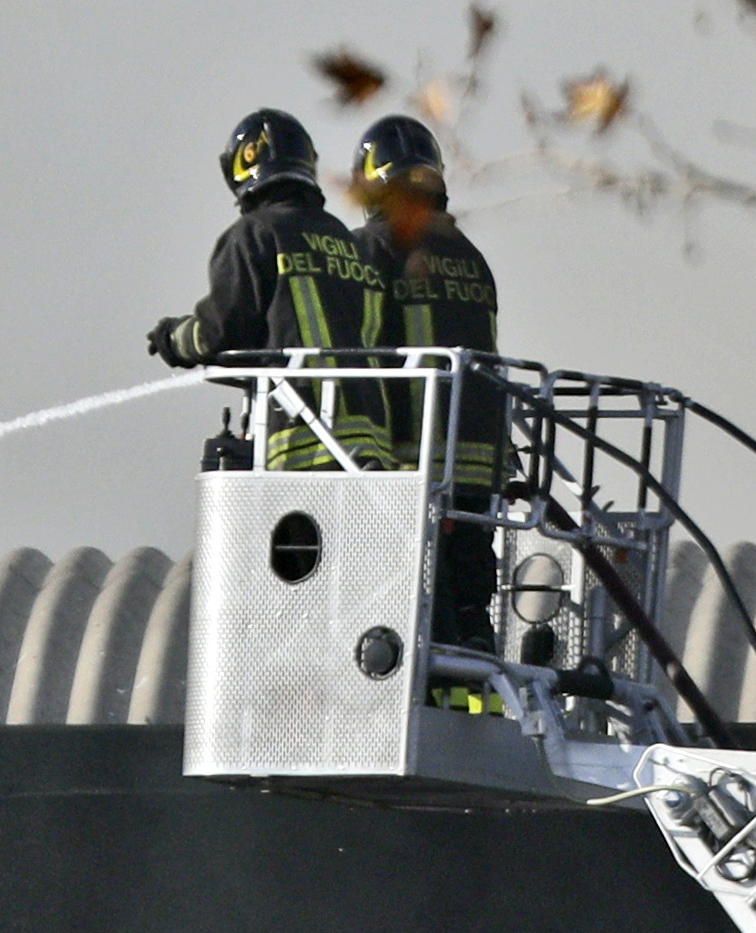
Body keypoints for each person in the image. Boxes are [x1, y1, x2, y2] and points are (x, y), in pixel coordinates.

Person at [146, 110, 393, 470]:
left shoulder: (254, 235)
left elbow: (223, 330)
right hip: (370, 438)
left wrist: (175, 338)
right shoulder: (346, 239)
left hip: (304, 438)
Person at [348, 114, 504, 652]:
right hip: (479, 461)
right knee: (468, 606)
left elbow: (359, 350)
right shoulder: (471, 257)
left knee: (414, 611)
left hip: (416, 461)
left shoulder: (373, 247)